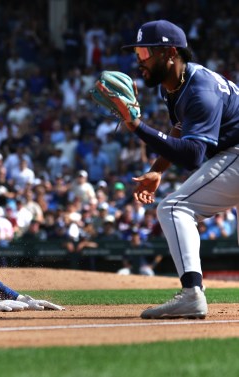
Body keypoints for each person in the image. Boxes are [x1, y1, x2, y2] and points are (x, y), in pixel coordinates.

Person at [120, 20, 239, 319]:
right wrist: (157, 169)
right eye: (137, 53)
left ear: (170, 52)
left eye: (145, 52)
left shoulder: (200, 89)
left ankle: (191, 294)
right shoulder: (173, 85)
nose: (139, 60)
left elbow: (192, 157)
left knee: (174, 208)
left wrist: (137, 126)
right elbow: (180, 129)